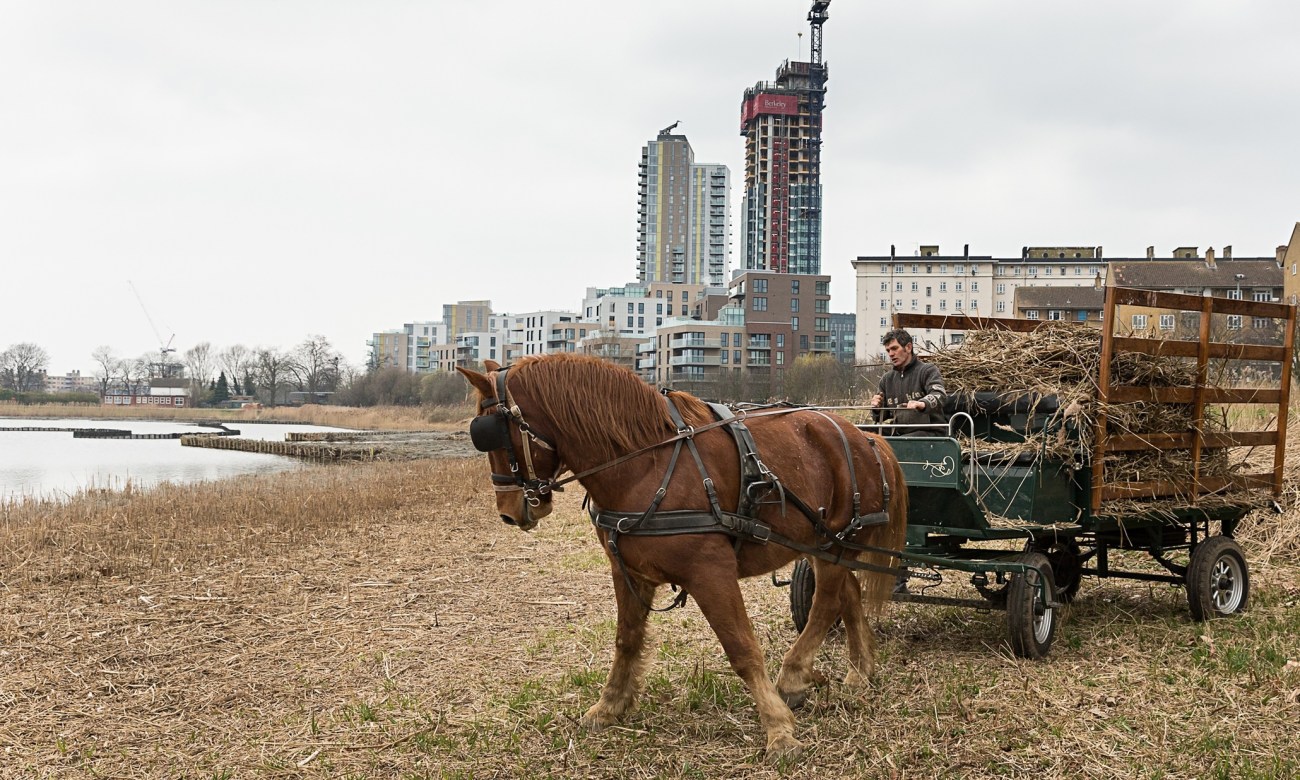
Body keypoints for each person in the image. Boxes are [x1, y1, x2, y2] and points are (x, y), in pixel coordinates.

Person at [870, 329, 948, 436]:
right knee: (862, 434)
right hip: (898, 431)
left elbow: (940, 395)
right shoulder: (887, 379)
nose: (891, 354)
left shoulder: (927, 370)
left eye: (894, 348)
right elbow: (880, 418)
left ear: (908, 347)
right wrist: (877, 408)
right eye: (888, 350)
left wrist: (922, 403)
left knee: (903, 442)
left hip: (929, 431)